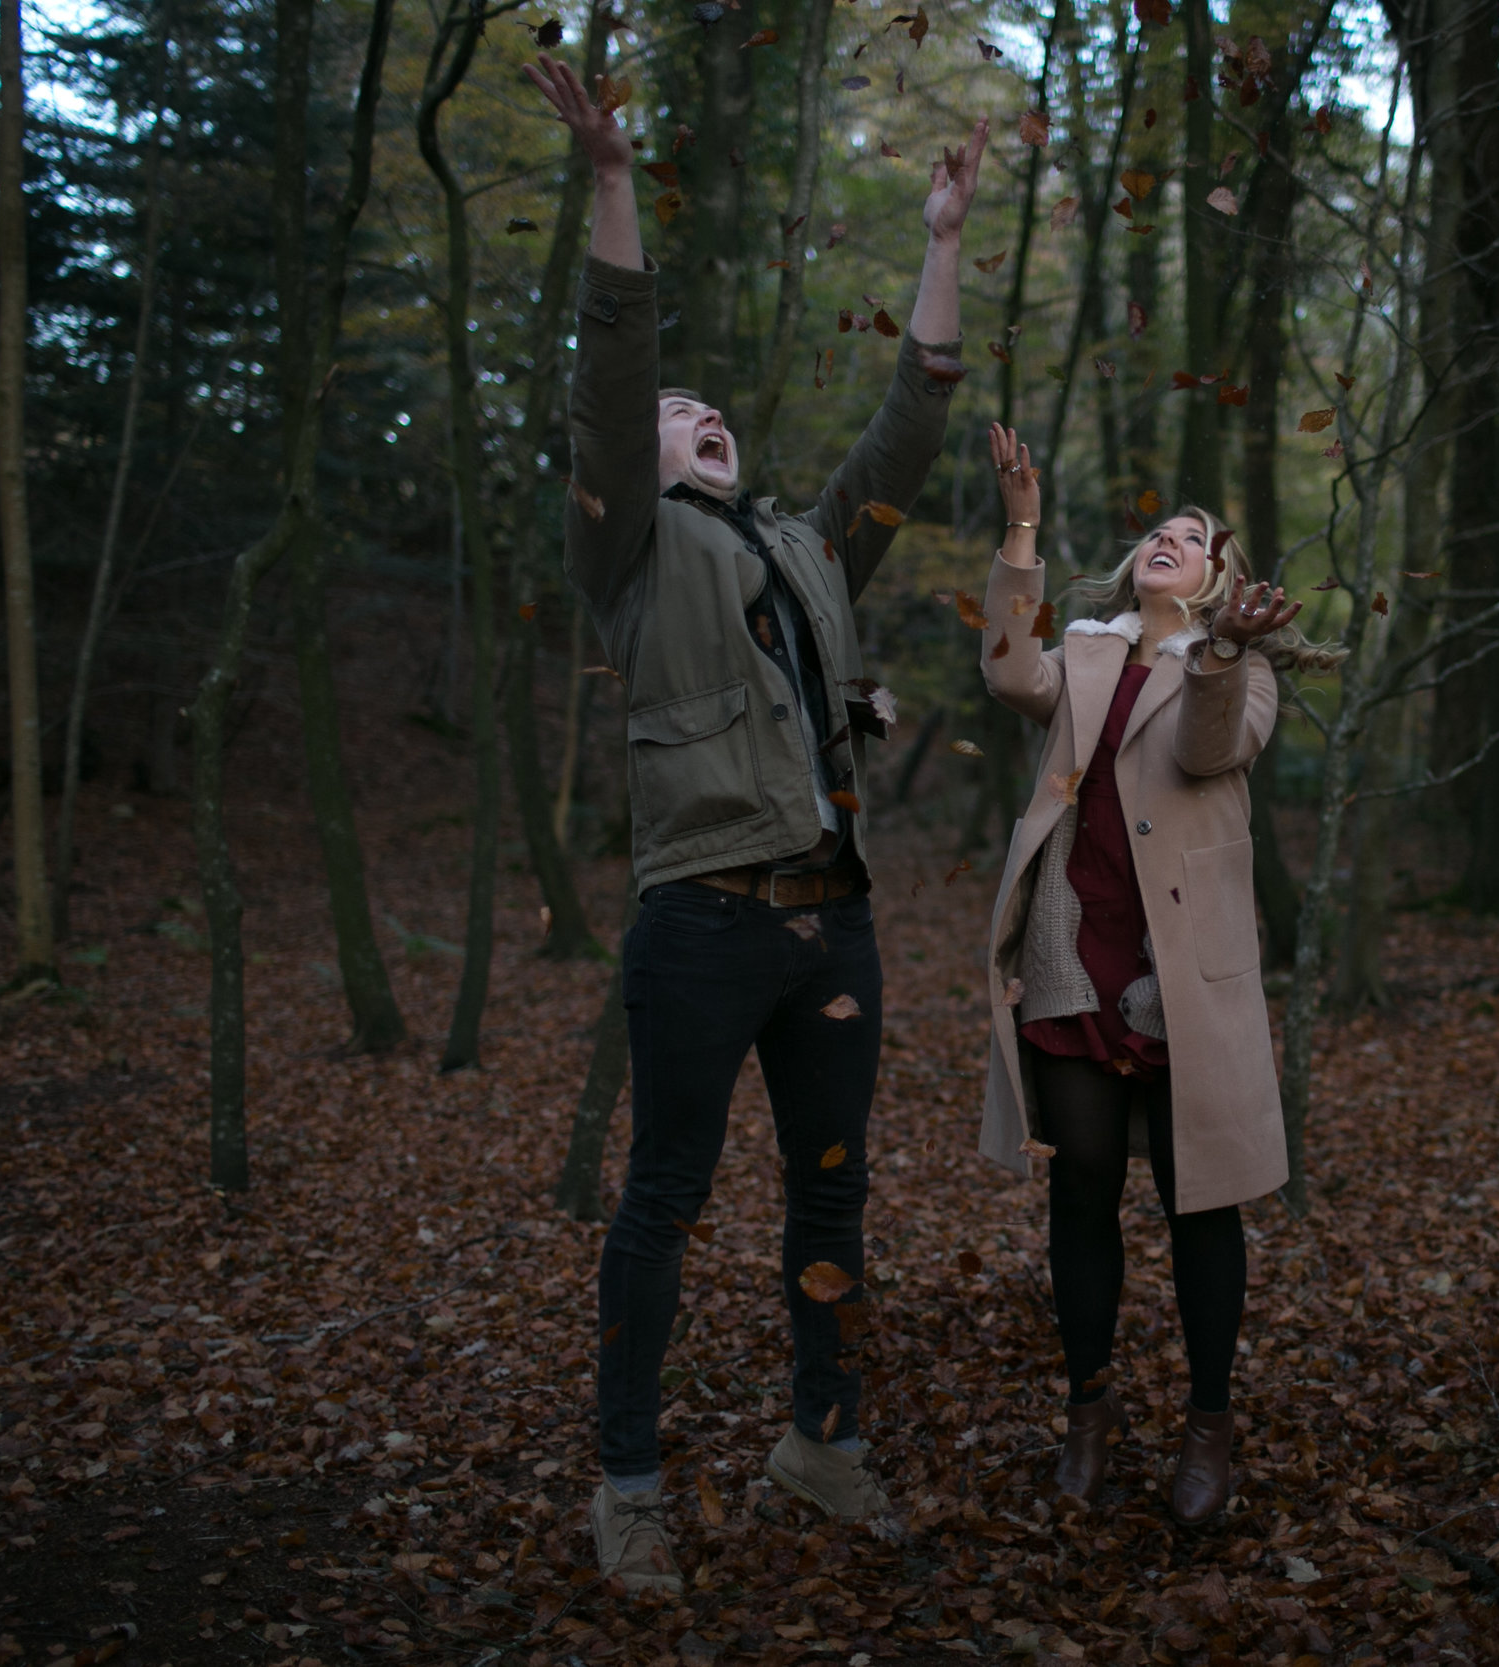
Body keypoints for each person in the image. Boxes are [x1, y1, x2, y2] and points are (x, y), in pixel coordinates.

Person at [523, 52, 984, 1592]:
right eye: (676, 408)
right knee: (663, 1198)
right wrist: (607, 181)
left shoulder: (805, 544)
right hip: (703, 924)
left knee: (834, 1189)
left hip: (833, 925)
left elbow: (910, 428)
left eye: (709, 405)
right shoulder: (630, 552)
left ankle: (824, 1442)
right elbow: (610, 368)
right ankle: (630, 1478)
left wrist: (939, 240)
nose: (696, 407)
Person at [970, 422, 1342, 1525]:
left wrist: (1224, 650)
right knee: (1080, 1185)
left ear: (1224, 579)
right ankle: (1088, 1411)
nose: (1169, 541)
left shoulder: (1245, 669)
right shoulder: (1083, 646)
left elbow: (1206, 753)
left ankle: (1207, 1423)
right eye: (1159, 533)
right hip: (1071, 948)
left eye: (1195, 537)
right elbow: (1004, 669)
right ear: (1135, 563)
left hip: (1185, 970)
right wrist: (1022, 526)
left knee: (1199, 1204)